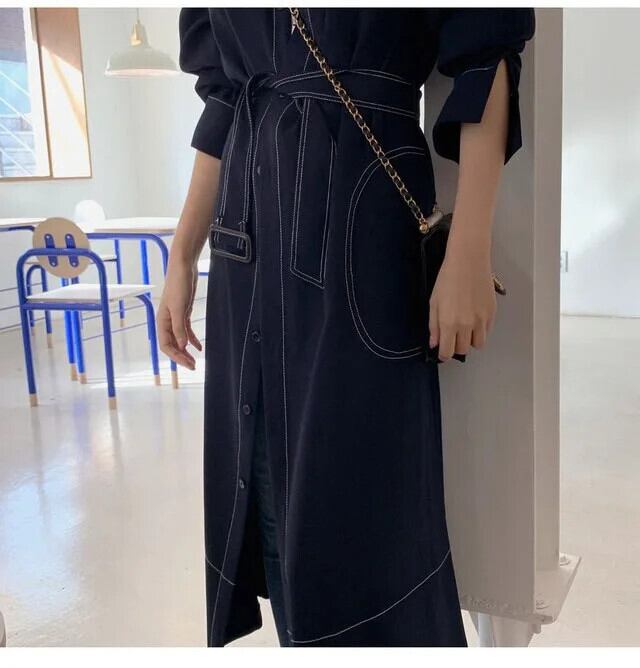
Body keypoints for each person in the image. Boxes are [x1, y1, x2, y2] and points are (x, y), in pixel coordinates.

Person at [158, 8, 535, 647]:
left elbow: (484, 59)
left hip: (360, 224)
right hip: (246, 236)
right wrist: (181, 253)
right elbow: (224, 99)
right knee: (263, 470)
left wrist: (470, 248)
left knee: (362, 481)